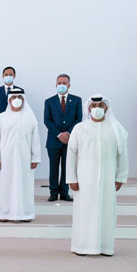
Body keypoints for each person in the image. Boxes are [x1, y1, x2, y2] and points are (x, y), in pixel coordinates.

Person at [67, 95, 129, 257]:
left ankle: (105, 247)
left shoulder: (116, 129)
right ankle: (82, 246)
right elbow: (71, 154)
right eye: (94, 105)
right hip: (84, 179)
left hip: (108, 179)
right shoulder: (79, 128)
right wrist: (71, 178)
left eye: (100, 105)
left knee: (106, 212)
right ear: (88, 108)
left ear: (106, 108)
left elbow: (123, 154)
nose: (97, 109)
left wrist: (121, 177)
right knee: (84, 211)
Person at [0, 88, 41, 222]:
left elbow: (35, 139)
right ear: (9, 100)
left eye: (19, 97)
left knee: (25, 186)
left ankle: (25, 214)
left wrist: (35, 158)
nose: (16, 100)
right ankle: (4, 213)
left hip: (25, 159)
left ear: (23, 100)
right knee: (5, 187)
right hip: (5, 159)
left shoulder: (30, 118)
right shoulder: (2, 117)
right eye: (13, 97)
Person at [44, 74, 82, 202]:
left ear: (69, 85)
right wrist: (59, 134)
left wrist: (68, 133)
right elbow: (47, 120)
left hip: (70, 140)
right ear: (55, 85)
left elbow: (78, 119)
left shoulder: (77, 100)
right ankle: (53, 193)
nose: (61, 85)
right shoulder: (49, 101)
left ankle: (65, 192)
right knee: (53, 168)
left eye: (64, 83)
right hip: (53, 141)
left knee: (67, 167)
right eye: (59, 83)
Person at [0, 66, 22, 184]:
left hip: (15, 124)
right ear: (3, 76)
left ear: (14, 76)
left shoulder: (19, 90)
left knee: (13, 148)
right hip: (1, 125)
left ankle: (13, 173)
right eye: (6, 74)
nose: (8, 76)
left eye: (11, 74)